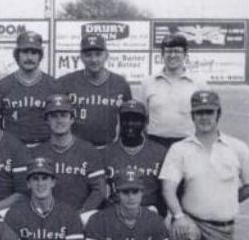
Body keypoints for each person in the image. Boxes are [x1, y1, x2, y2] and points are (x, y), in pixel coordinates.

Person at [160, 90, 249, 240]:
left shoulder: (237, 148)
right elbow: (168, 188)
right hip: (191, 221)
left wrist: (229, 199)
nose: (204, 117)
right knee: (178, 232)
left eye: (209, 112)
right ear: (192, 116)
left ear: (218, 114)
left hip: (222, 229)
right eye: (199, 112)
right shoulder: (180, 148)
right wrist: (179, 216)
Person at [32, 94, 105, 222]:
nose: (59, 120)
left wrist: (80, 215)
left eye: (64, 115)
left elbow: (99, 191)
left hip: (80, 217)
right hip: (45, 218)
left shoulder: (88, 151)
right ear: (46, 120)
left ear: (72, 119)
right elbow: (30, 191)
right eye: (54, 116)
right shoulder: (37, 153)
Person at [57, 33, 132, 149]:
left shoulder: (120, 83)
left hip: (107, 148)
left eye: (98, 54)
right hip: (74, 149)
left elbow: (128, 120)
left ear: (106, 55)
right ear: (81, 56)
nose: (94, 60)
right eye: (88, 55)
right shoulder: (66, 82)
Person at [140, 33, 209, 148]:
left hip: (188, 143)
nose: (172, 55)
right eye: (168, 51)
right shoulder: (148, 82)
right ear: (162, 54)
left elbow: (206, 118)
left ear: (185, 54)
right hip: (155, 143)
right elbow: (144, 117)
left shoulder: (199, 83)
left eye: (177, 51)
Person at [0, 31, 59, 148]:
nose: (29, 57)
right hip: (11, 148)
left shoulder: (53, 86)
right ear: (17, 55)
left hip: (45, 147)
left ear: (40, 56)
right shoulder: (2, 86)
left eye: (34, 53)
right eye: (25, 52)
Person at [103, 100, 166, 214]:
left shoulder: (160, 152)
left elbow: (164, 193)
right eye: (126, 119)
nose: (130, 124)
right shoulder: (106, 153)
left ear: (144, 123)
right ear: (119, 122)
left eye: (136, 120)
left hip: (149, 211)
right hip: (115, 212)